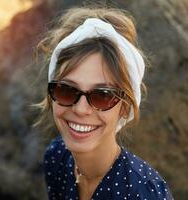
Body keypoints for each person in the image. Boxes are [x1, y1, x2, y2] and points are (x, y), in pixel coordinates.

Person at [35, 6, 174, 200]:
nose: (81, 109)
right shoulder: (57, 157)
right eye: (66, 90)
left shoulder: (146, 193)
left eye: (102, 95)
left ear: (125, 108)